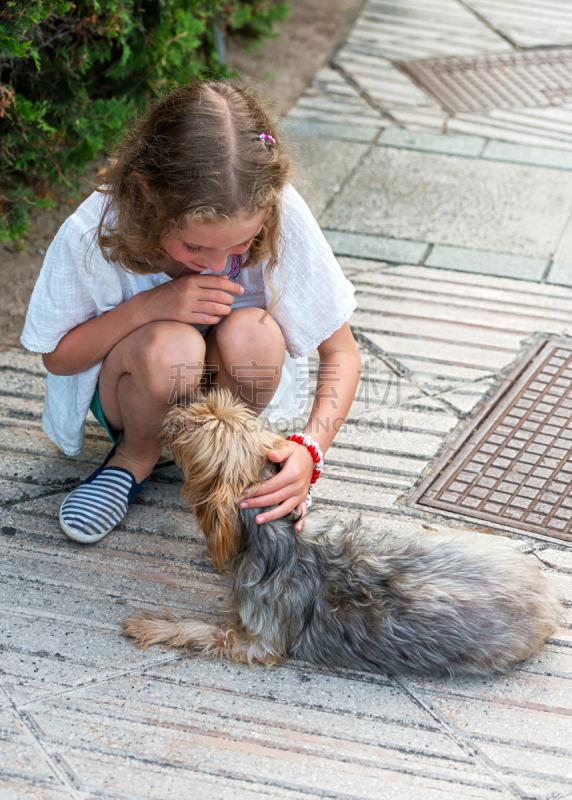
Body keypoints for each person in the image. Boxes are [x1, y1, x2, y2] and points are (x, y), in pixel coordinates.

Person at [21, 81, 360, 545]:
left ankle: (228, 457)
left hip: (224, 391)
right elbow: (57, 357)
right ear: (147, 194)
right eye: (195, 246)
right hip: (134, 394)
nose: (219, 264)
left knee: (257, 335)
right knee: (170, 344)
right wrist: (150, 305)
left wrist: (310, 449)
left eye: (240, 245)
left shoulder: (277, 210)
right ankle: (134, 459)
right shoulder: (94, 229)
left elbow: (341, 352)